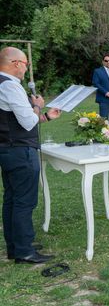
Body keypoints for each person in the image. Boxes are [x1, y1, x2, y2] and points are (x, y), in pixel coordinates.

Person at [0, 46, 61, 263]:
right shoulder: (10, 86)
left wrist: (45, 117)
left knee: (12, 199)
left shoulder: (4, 85)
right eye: (26, 64)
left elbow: (16, 119)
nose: (26, 69)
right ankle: (24, 251)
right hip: (19, 150)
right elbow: (27, 121)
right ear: (16, 63)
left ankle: (16, 246)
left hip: (8, 149)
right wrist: (36, 105)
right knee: (24, 201)